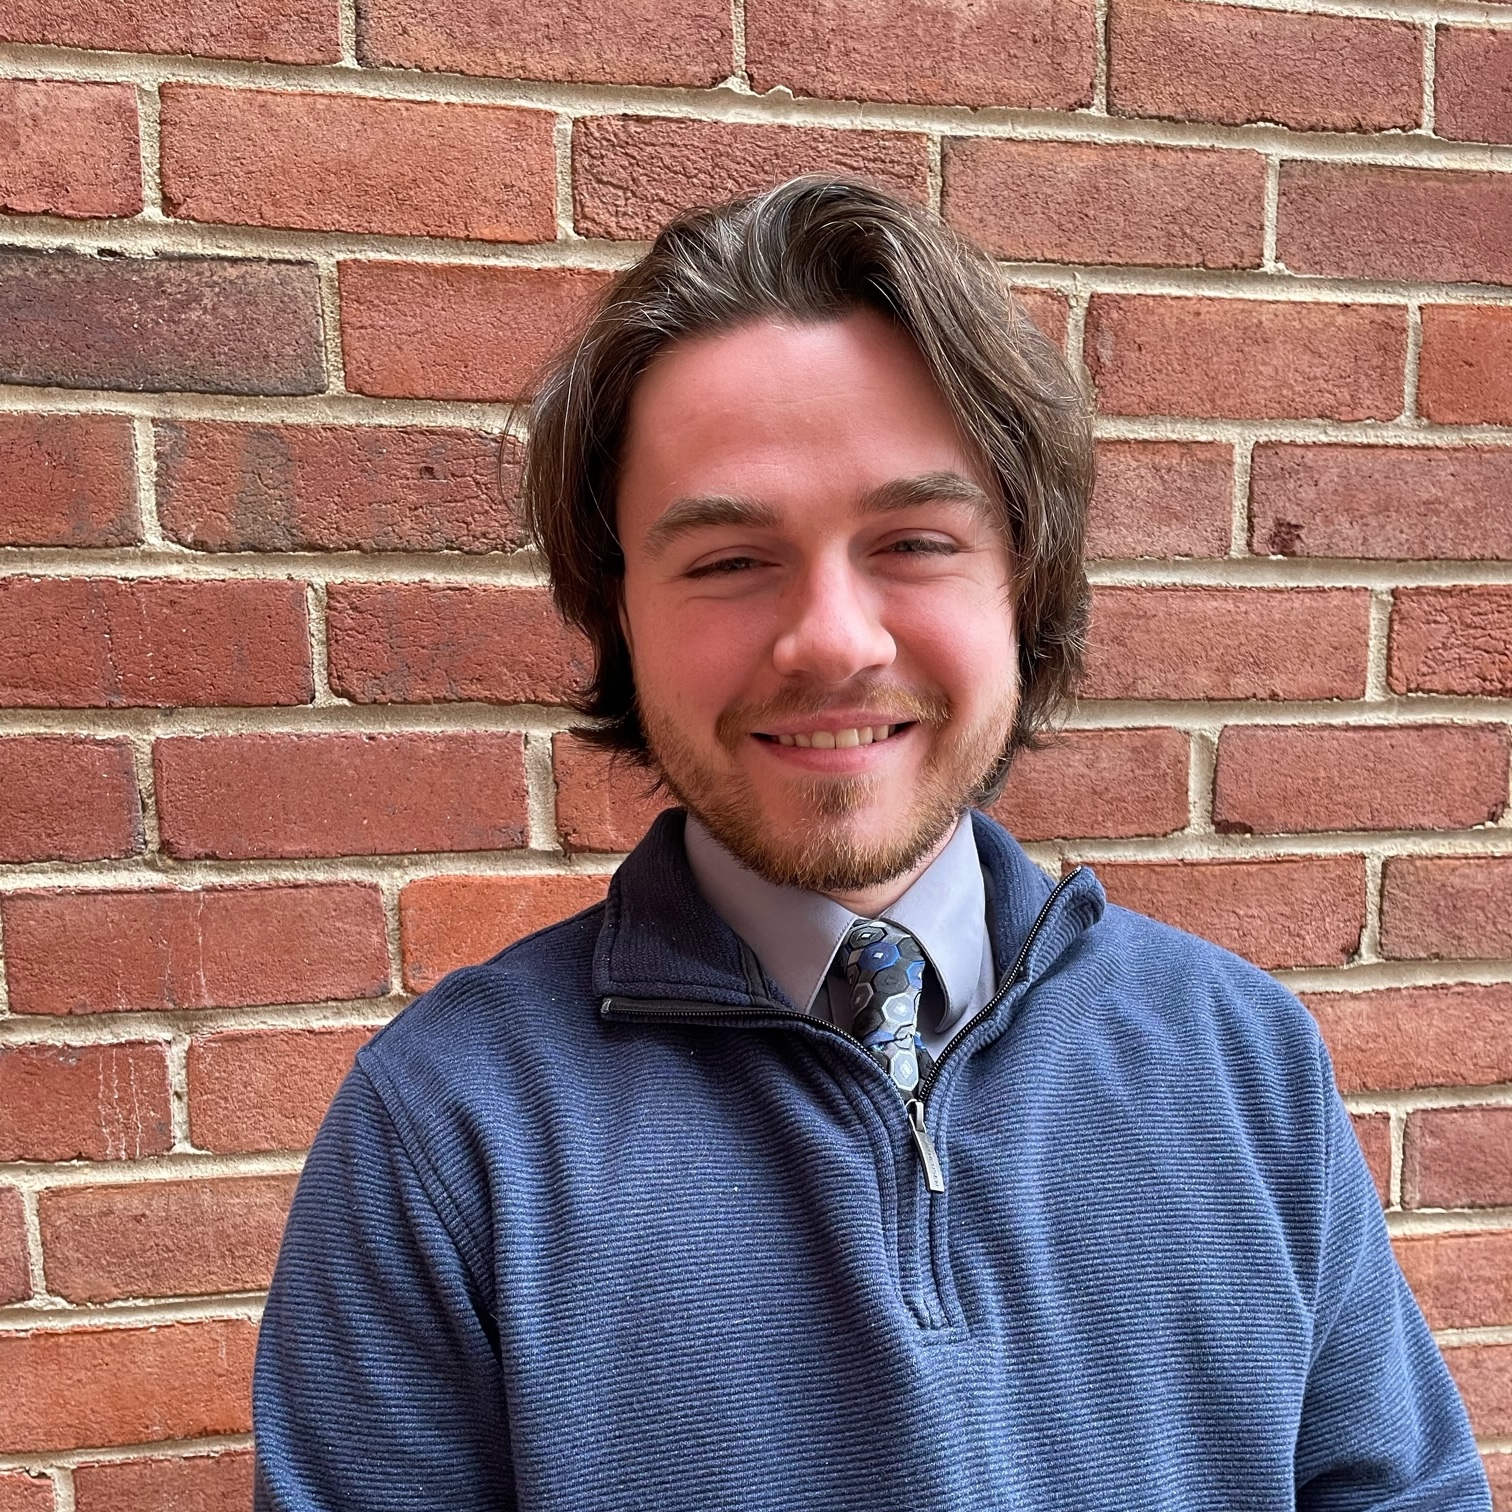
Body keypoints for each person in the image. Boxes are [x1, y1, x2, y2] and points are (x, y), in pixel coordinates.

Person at [252, 177, 1490, 1511]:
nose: (834, 639)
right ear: (618, 612)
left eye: (911, 540)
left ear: (1025, 581)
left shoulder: (1242, 1061)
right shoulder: (447, 1134)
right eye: (729, 560)